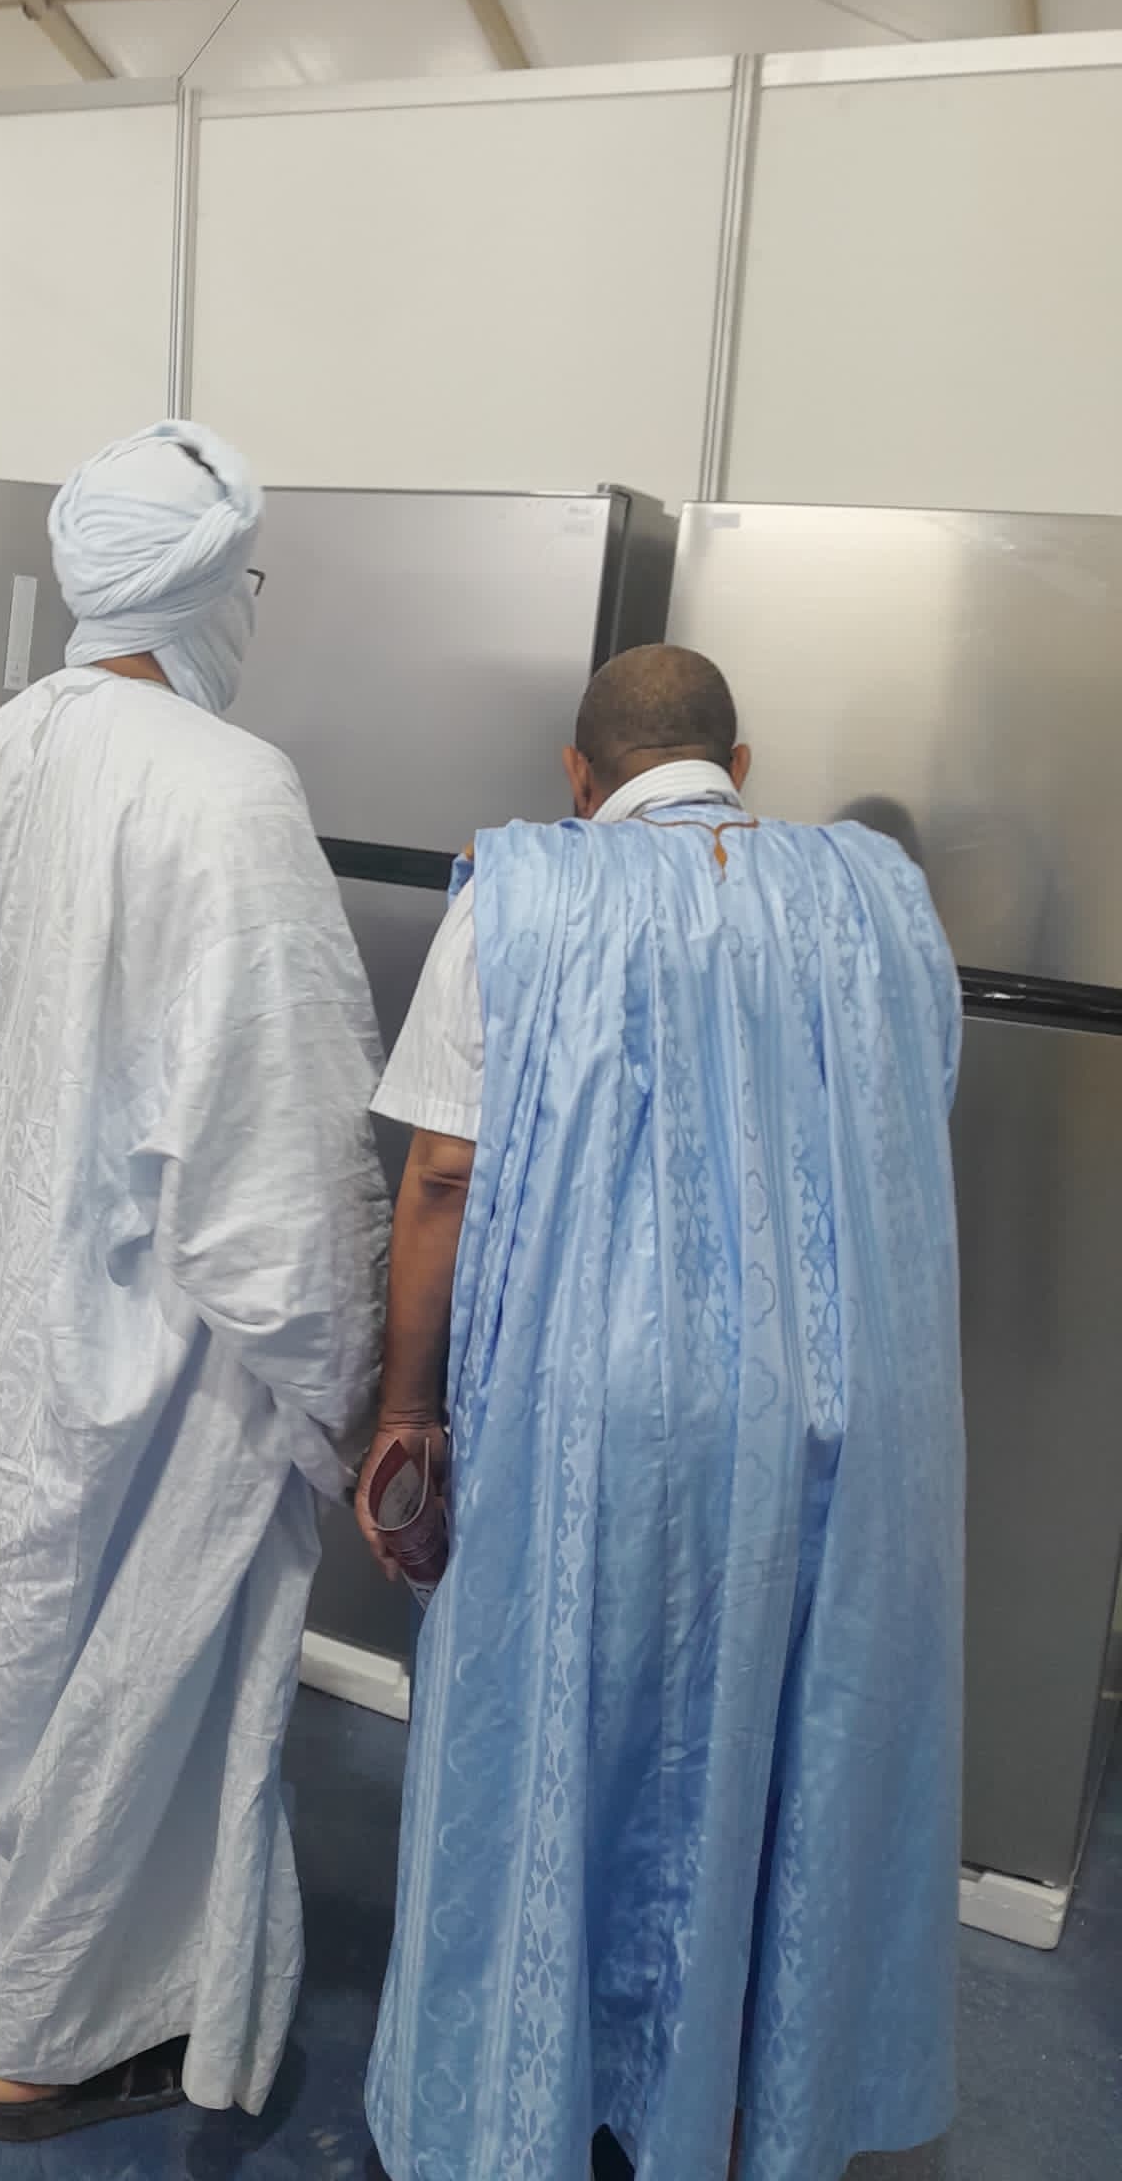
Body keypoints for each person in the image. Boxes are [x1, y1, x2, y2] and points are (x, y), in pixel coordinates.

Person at [357, 645, 963, 2181]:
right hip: (843, 1416)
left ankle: (537, 2105)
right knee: (776, 1746)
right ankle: (742, 2107)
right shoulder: (880, 897)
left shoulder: (526, 890)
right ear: (738, 768)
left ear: (580, 774)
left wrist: (408, 1412)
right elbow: (901, 1128)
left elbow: (442, 1176)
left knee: (569, 1748)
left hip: (601, 1414)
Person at [0, 422, 388, 2143]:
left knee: (44, 1634)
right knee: (150, 1679)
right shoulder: (227, 785)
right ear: (204, 587)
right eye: (246, 577)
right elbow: (279, 1123)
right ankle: (49, 2033)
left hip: (12, 1289)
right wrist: (348, 1374)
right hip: (173, 1331)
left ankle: (58, 1953)